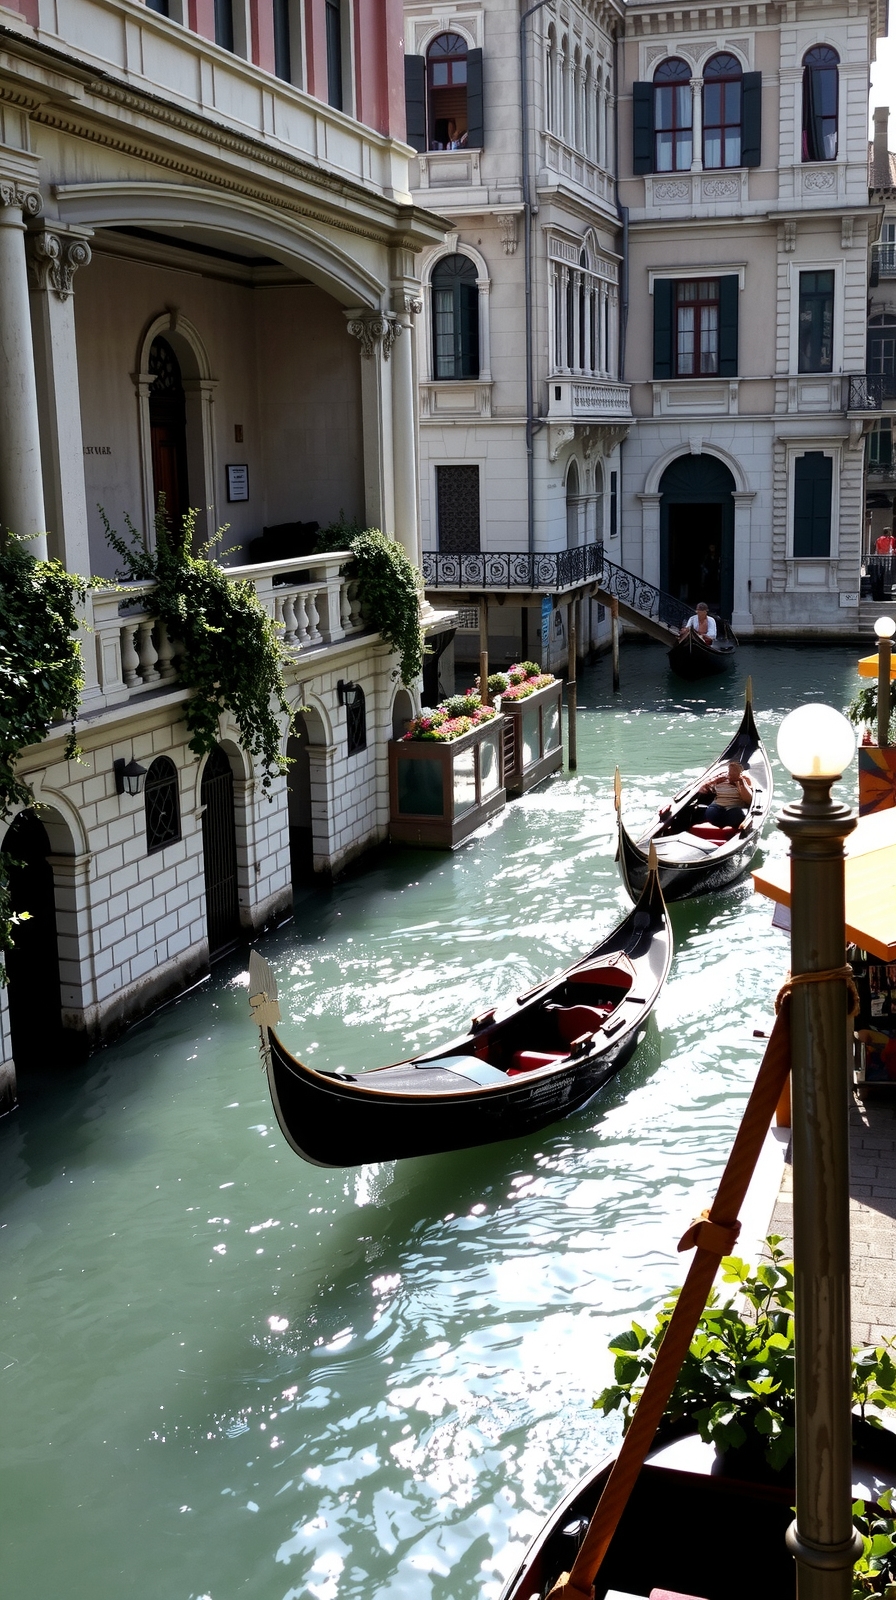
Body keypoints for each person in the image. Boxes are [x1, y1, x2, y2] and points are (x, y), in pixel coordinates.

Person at [698, 759, 752, 828]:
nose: (731, 776)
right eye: (730, 773)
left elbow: (748, 800)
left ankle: (728, 827)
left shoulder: (744, 781)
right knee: (711, 813)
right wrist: (713, 782)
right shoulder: (721, 779)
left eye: (734, 773)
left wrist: (740, 784)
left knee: (737, 814)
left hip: (734, 807)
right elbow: (703, 789)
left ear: (740, 773)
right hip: (717, 805)